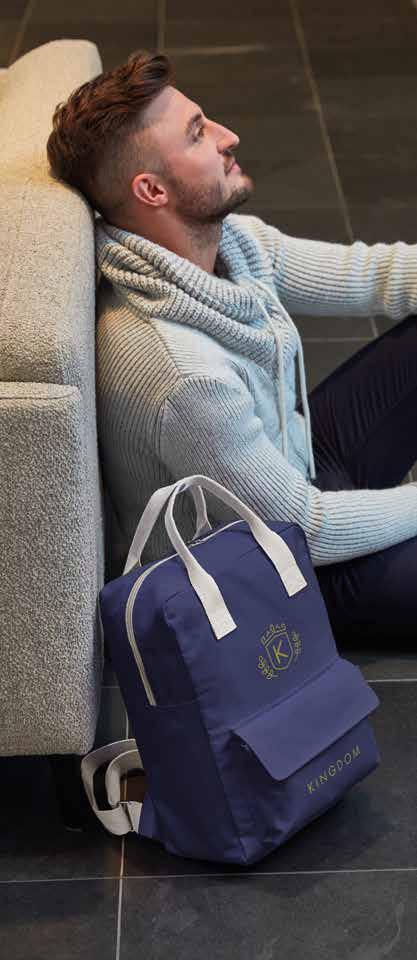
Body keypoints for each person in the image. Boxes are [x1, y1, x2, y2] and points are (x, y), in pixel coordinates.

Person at [47, 49, 417, 644]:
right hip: (272, 574)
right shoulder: (181, 375)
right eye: (198, 133)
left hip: (299, 471)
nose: (228, 136)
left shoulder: (228, 244)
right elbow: (307, 528)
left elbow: (375, 275)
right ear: (152, 189)